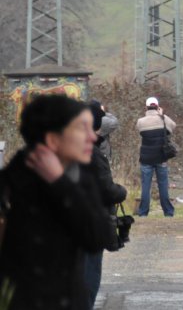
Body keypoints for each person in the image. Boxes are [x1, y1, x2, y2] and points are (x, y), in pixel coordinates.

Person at [0, 94, 118, 309]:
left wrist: (60, 182)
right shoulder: (15, 182)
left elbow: (99, 236)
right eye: (83, 129)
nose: (92, 137)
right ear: (54, 139)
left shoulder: (81, 174)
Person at [83, 100, 128, 308]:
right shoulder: (92, 153)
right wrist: (121, 192)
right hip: (91, 221)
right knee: (90, 273)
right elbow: (106, 189)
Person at [135, 96, 176, 217]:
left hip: (146, 158)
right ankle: (168, 212)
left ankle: (143, 212)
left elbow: (140, 131)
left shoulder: (140, 121)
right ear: (158, 107)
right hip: (161, 157)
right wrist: (162, 115)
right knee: (163, 184)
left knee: (145, 186)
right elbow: (173, 126)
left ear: (146, 108)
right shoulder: (163, 119)